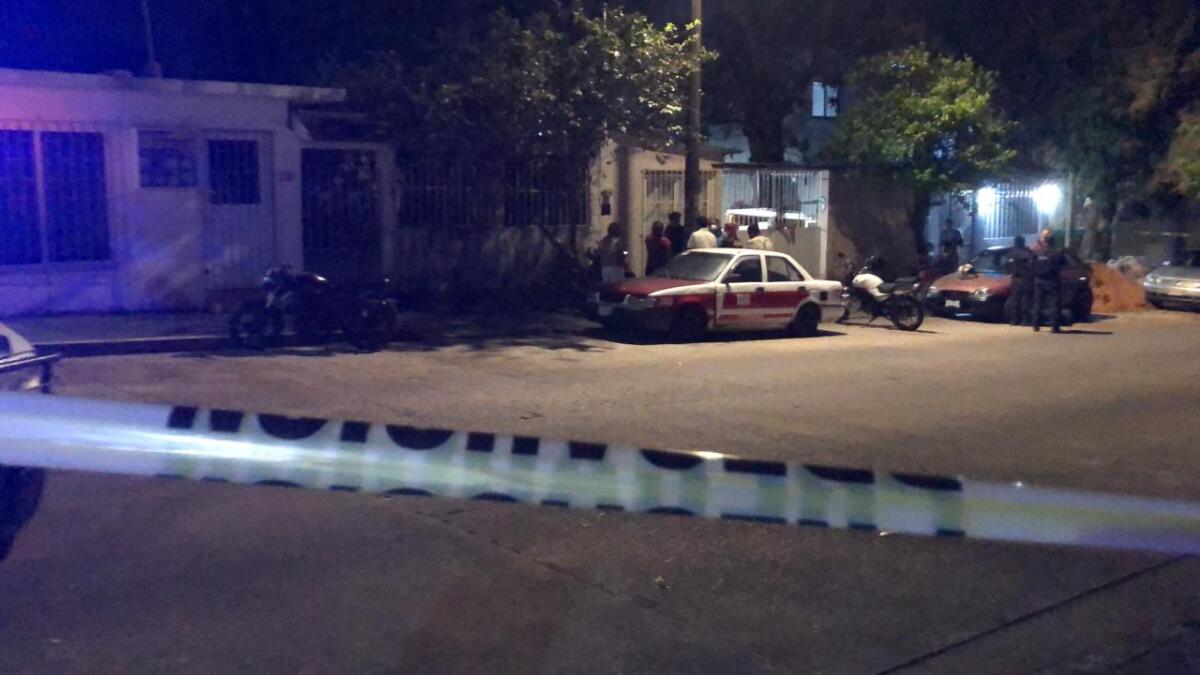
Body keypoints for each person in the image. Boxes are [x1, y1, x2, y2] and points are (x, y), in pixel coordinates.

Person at [1031, 233, 1065, 333]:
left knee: (1038, 303)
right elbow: (1063, 264)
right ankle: (1055, 327)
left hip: (1039, 281)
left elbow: (1032, 266)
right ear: (1053, 242)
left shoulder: (1038, 253)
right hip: (1052, 281)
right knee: (1054, 303)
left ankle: (1035, 325)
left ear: (1045, 243)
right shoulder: (1057, 253)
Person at [1004, 235, 1035, 326]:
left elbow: (1006, 266)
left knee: (1015, 299)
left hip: (1014, 279)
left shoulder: (1010, 253)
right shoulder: (1026, 252)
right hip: (1025, 278)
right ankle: (1024, 320)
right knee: (1025, 299)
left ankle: (1014, 320)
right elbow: (1032, 263)